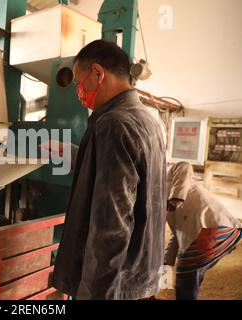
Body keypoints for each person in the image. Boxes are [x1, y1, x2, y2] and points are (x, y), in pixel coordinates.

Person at [48, 40, 167, 300]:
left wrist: (94, 293)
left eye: (80, 83)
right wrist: (72, 152)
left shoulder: (113, 123)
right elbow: (136, 181)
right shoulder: (149, 119)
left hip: (114, 284)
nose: (79, 92)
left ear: (98, 73)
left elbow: (110, 223)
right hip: (141, 272)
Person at [164, 161, 242, 300]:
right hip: (222, 233)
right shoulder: (162, 205)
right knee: (190, 272)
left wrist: (176, 197)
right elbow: (176, 234)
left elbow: (184, 166)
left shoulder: (167, 174)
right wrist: (166, 264)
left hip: (212, 228)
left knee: (185, 275)